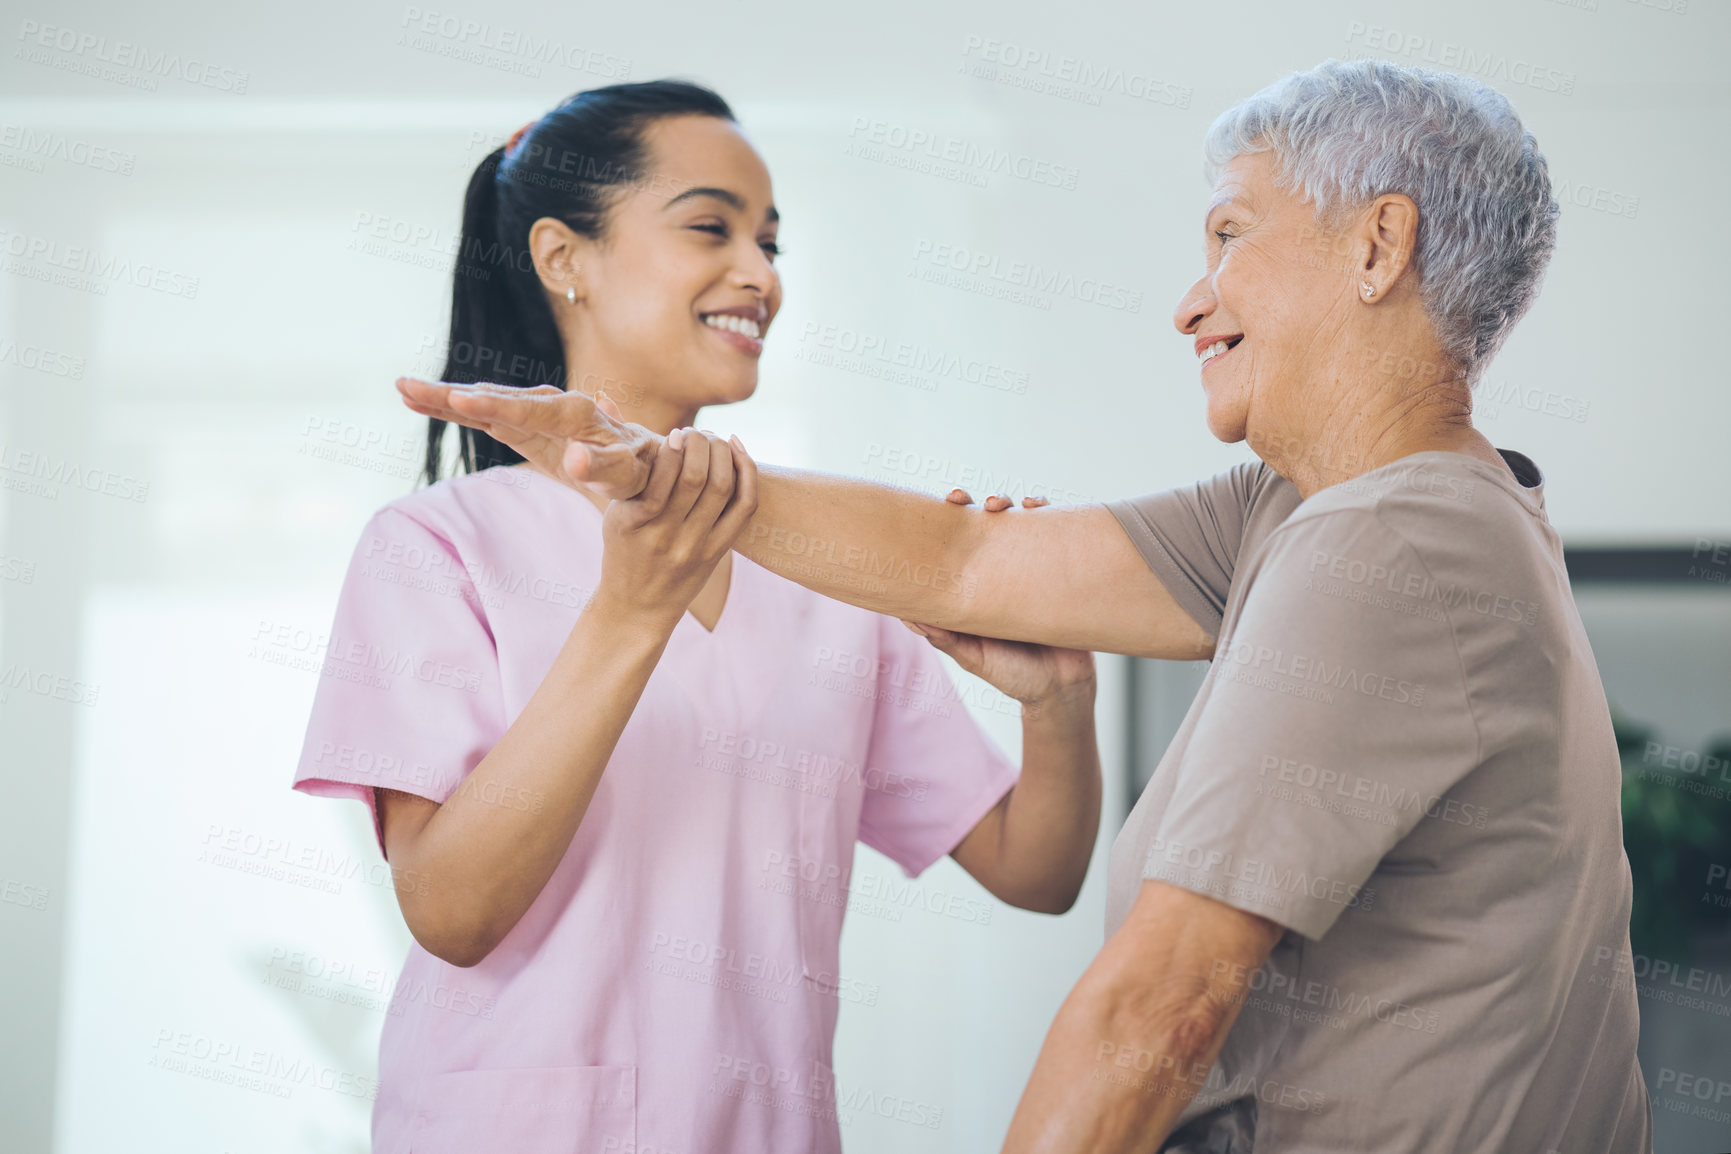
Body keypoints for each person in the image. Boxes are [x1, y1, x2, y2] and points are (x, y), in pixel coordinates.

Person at [404, 59, 1651, 1153]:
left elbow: (1155, 998)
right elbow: (958, 560)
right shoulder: (1299, 512)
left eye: (1229, 236)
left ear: (1378, 247)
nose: (1191, 297)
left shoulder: (1385, 540)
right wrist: (651, 466)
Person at [295, 80, 1105, 1154]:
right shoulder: (439, 547)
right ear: (562, 258)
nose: (761, 275)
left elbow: (1033, 869)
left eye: (772, 244)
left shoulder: (827, 562)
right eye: (710, 228)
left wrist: (1059, 702)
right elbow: (449, 908)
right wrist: (633, 609)